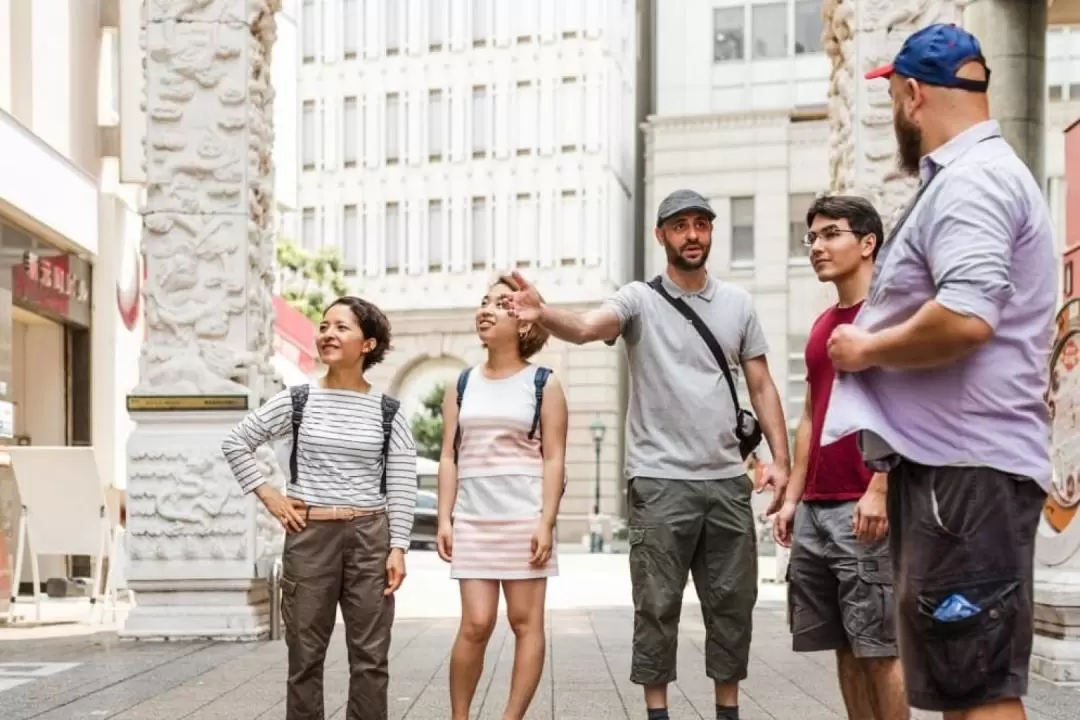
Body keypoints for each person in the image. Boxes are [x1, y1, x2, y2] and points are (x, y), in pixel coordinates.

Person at [822, 24, 1055, 720]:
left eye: (894, 94)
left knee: (977, 686)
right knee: (962, 680)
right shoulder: (974, 177)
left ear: (913, 94)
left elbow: (964, 317)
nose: (896, 109)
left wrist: (865, 349)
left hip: (966, 476)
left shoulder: (974, 182)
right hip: (957, 475)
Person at [506, 190, 791, 720]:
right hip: (660, 482)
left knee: (732, 606)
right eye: (680, 226)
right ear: (661, 235)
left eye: (701, 225)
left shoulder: (738, 304)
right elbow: (590, 328)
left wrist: (781, 459)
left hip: (729, 480)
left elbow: (762, 384)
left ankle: (727, 710)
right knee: (657, 606)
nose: (692, 235)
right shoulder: (639, 298)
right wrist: (543, 314)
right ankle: (657, 712)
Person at [221, 296, 418, 720]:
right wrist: (269, 494)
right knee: (305, 658)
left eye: (341, 327)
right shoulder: (297, 400)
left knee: (370, 658)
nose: (328, 334)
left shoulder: (388, 413)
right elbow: (236, 441)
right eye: (324, 325)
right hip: (310, 537)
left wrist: (398, 546)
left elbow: (403, 482)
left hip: (370, 538)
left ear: (368, 344)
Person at [772, 194, 908, 720]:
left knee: (880, 649)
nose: (817, 246)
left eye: (831, 234)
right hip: (818, 507)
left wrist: (880, 486)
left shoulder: (892, 315)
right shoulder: (823, 324)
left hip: (865, 504)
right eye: (812, 237)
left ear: (868, 242)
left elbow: (906, 406)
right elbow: (811, 413)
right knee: (845, 646)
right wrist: (793, 498)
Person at [436, 274, 568, 720]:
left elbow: (554, 459)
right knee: (475, 623)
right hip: (474, 518)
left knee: (524, 623)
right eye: (484, 301)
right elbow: (449, 456)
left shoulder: (543, 384)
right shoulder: (462, 384)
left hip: (523, 518)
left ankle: (511, 718)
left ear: (526, 323)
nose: (486, 309)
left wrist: (546, 521)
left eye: (501, 303)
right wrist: (444, 519)